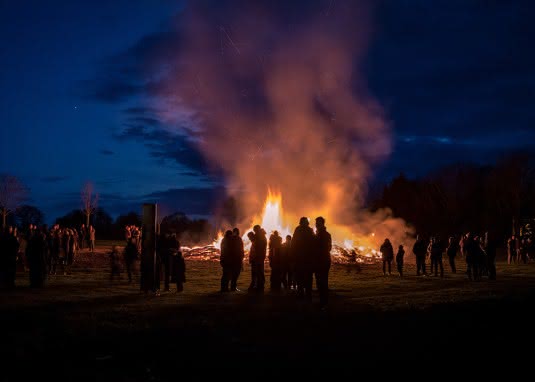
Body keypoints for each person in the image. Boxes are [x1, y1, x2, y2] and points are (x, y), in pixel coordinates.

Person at [291, 217, 316, 300]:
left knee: (304, 277)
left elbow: (293, 243)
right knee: (302, 277)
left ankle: (305, 293)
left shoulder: (301, 230)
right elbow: (294, 243)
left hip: (305, 258)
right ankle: (303, 293)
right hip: (302, 258)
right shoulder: (303, 230)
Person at [314, 216, 332, 308]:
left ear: (322, 224)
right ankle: (324, 301)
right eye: (316, 223)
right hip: (325, 260)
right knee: (322, 281)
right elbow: (329, 248)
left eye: (317, 223)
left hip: (322, 261)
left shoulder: (321, 235)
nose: (316, 225)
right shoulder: (326, 234)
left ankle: (323, 302)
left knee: (321, 281)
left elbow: (322, 248)